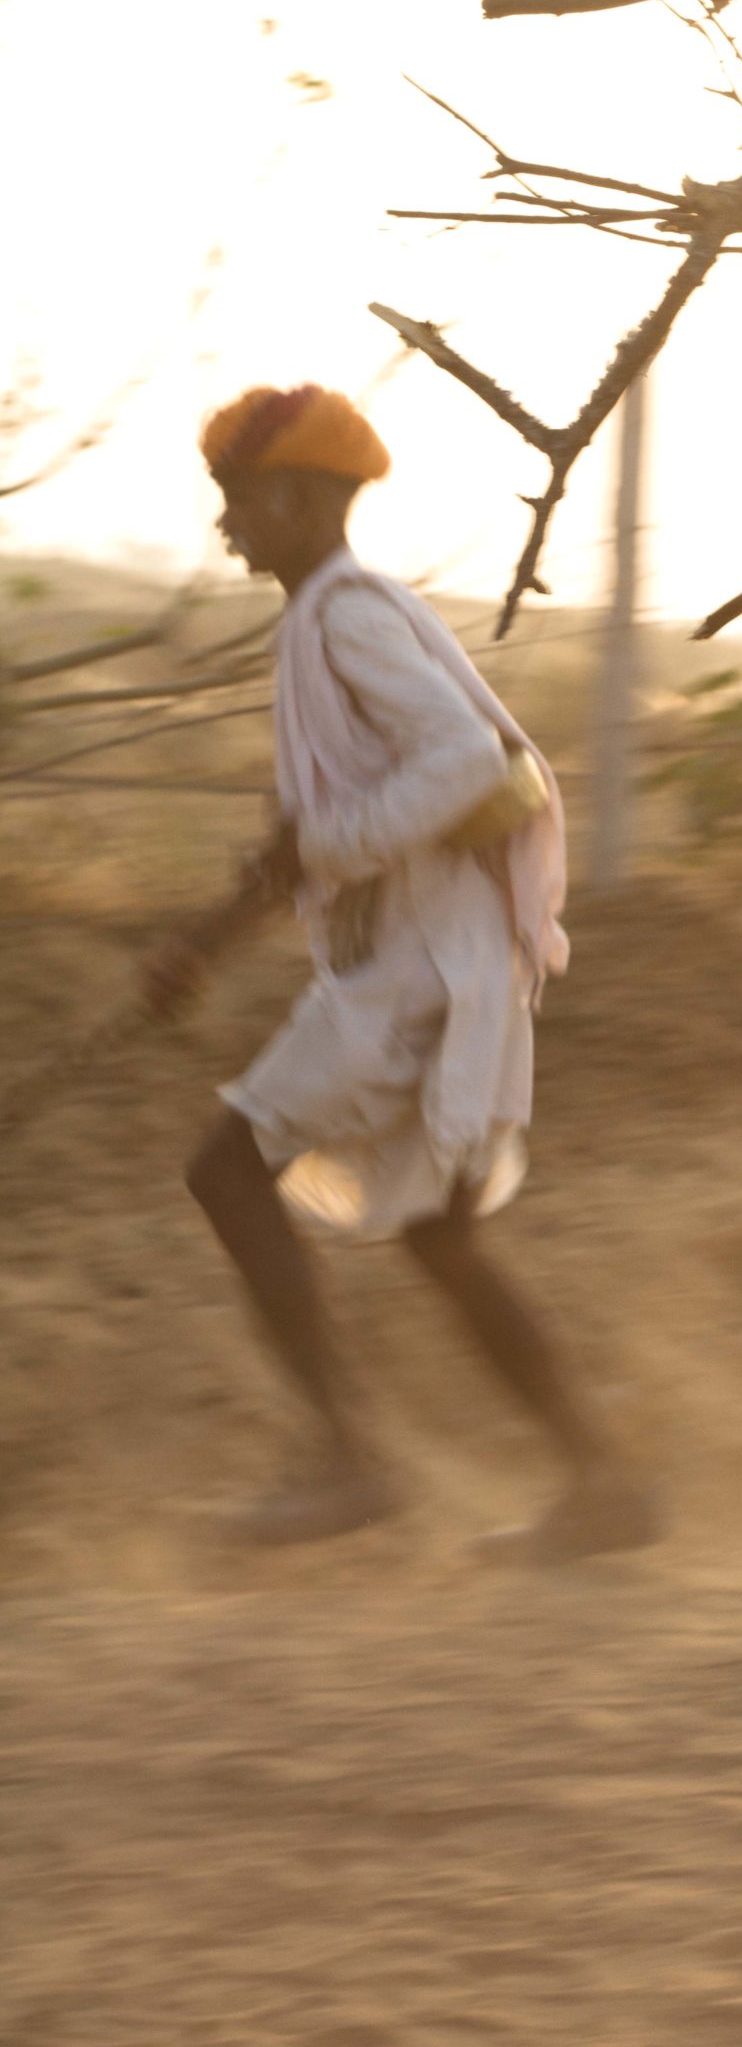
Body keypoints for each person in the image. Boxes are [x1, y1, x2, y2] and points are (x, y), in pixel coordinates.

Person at [145, 382, 659, 1557]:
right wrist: (202, 950)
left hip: (419, 973)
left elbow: (463, 763)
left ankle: (350, 1460)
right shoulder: (325, 621)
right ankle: (604, 1481)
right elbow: (302, 844)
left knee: (227, 1168)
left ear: (294, 497)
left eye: (237, 499)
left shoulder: (346, 615)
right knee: (439, 1235)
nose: (227, 523)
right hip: (425, 965)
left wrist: (320, 849)